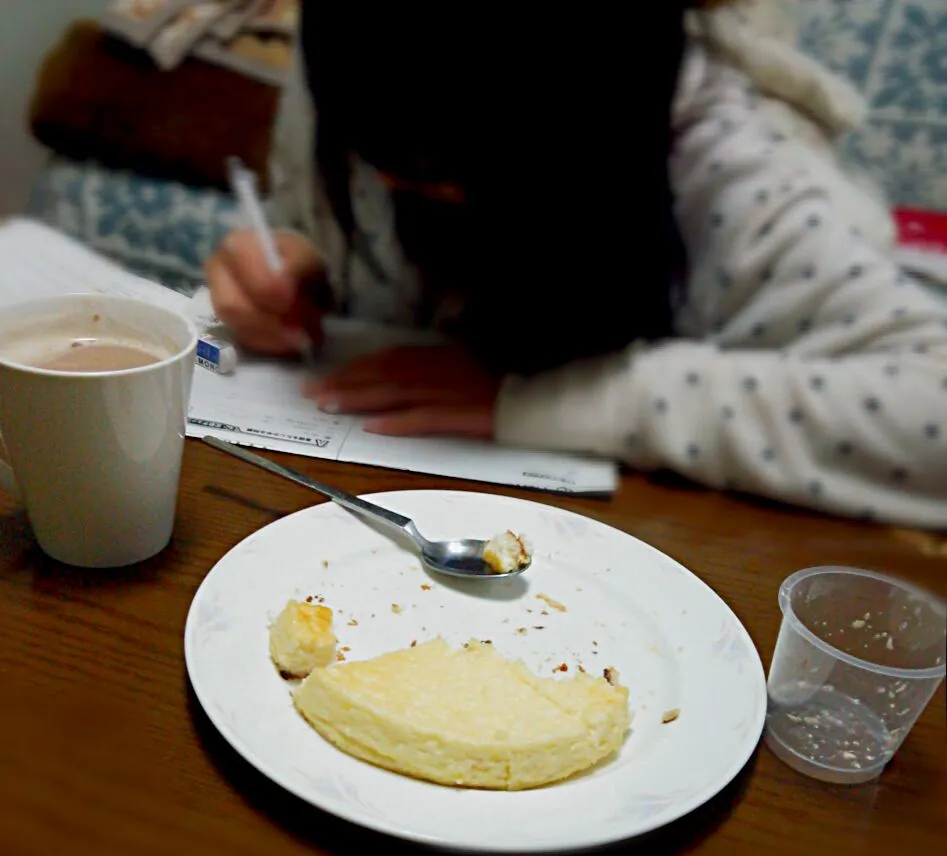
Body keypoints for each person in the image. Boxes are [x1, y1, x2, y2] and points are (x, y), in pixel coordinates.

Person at [206, 0, 947, 528]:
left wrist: (580, 398)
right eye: (375, 154)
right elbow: (314, 215)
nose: (396, 185)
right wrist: (300, 259)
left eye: (455, 175)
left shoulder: (719, 157)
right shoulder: (362, 64)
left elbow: (930, 412)